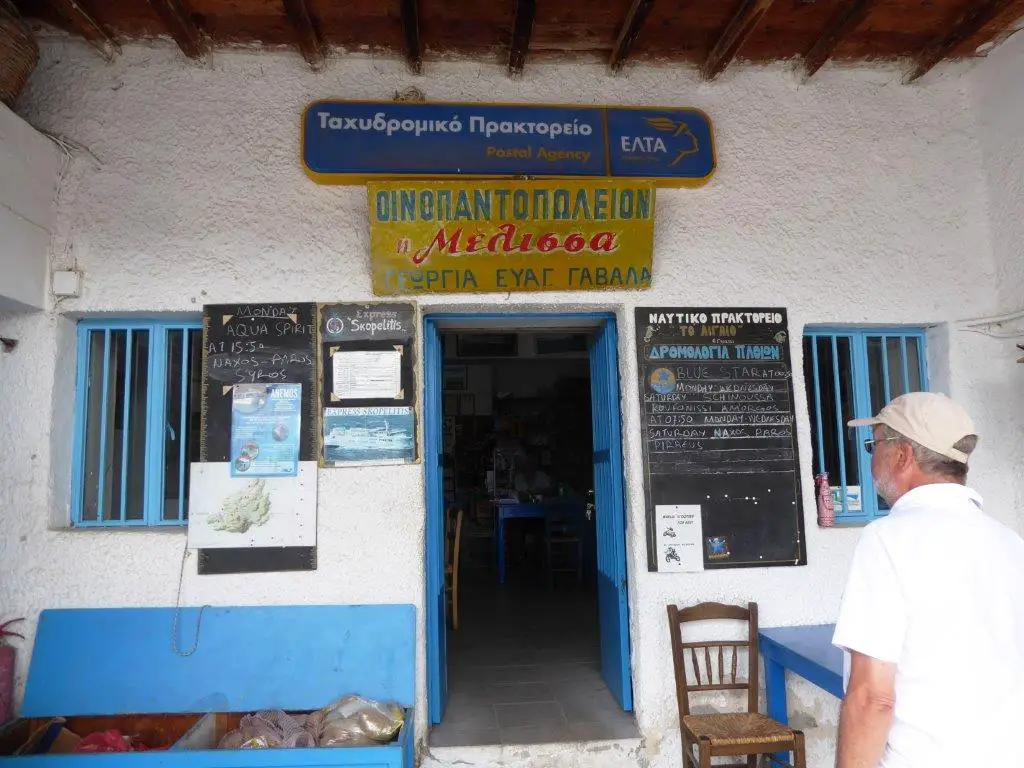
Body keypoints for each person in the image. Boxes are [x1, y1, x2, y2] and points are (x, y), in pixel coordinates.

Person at [832, 392, 1024, 768]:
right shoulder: (1010, 542)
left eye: (875, 445)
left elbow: (872, 697)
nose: (871, 458)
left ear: (902, 456)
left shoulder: (886, 540)